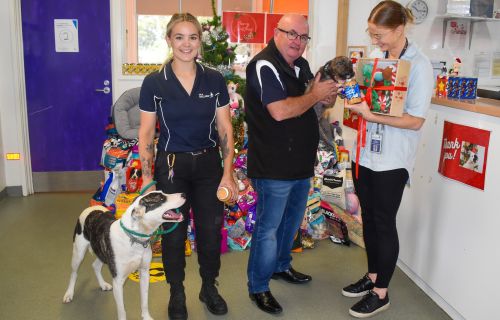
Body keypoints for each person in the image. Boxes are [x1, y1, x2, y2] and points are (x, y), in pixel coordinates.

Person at [138, 13, 238, 320]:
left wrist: (228, 173)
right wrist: (145, 180)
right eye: (179, 37)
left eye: (192, 37)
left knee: (210, 230)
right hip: (171, 167)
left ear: (200, 41)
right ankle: (176, 292)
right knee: (173, 232)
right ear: (169, 40)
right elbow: (145, 133)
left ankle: (209, 286)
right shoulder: (155, 82)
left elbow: (225, 128)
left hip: (209, 164)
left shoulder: (214, 79)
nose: (186, 44)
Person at [341, 1, 433, 318]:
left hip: (393, 158)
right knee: (368, 217)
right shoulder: (378, 60)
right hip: (367, 151)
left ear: (398, 29)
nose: (375, 40)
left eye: (379, 34)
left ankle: (382, 293)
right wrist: (352, 94)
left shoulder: (419, 66)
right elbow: (371, 101)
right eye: (371, 34)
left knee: (384, 221)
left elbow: (416, 120)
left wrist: (369, 112)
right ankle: (373, 276)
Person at [245, 13, 338, 314]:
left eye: (303, 37)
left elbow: (317, 106)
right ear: (277, 32)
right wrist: (315, 96)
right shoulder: (263, 65)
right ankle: (258, 286)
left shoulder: (301, 66)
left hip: (300, 163)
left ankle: (281, 266)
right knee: (268, 229)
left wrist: (327, 96)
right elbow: (280, 111)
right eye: (292, 34)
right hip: (273, 166)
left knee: (289, 225)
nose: (298, 42)